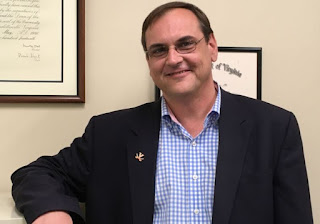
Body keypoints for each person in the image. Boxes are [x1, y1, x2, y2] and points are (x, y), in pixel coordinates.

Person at [11, 2, 313, 224]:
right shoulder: (110, 133)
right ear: (149, 60)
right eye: (159, 50)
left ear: (211, 46)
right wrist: (53, 212)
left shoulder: (274, 128)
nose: (173, 59)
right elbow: (35, 174)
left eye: (185, 44)